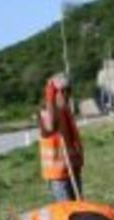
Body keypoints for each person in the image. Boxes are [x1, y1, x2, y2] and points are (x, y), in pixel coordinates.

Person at [37, 73, 84, 201]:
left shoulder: (65, 110)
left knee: (79, 207)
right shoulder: (47, 111)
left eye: (69, 91)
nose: (68, 95)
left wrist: (78, 160)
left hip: (72, 169)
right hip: (58, 175)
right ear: (55, 92)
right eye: (64, 91)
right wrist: (50, 97)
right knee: (66, 209)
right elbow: (50, 126)